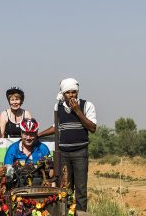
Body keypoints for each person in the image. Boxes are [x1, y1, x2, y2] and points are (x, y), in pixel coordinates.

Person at [38, 78, 97, 214]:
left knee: (81, 189)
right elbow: (56, 127)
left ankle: (81, 212)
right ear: (63, 93)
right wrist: (38, 135)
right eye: (68, 92)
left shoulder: (86, 105)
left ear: (78, 92)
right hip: (63, 153)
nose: (71, 95)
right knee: (64, 188)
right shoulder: (57, 107)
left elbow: (92, 128)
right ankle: (65, 212)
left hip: (80, 152)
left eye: (74, 92)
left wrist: (77, 111)